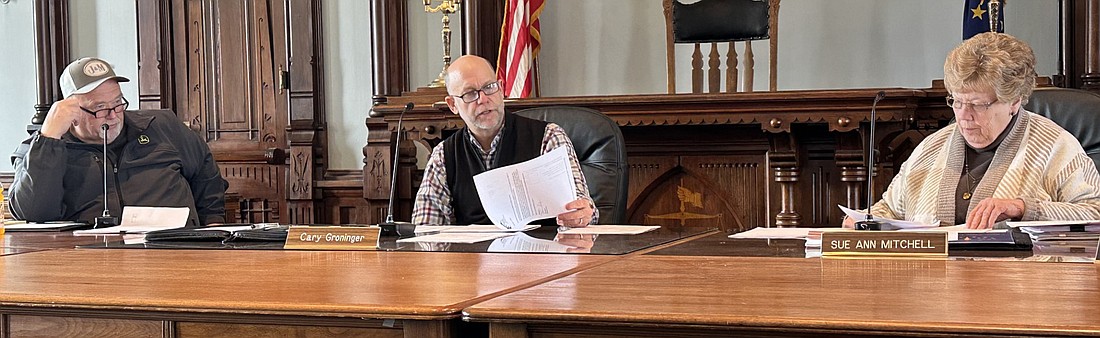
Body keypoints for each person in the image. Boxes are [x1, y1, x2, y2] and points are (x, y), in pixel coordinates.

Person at [844, 32, 1100, 229]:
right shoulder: (931, 148)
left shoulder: (1054, 146)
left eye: (978, 105)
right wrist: (863, 223)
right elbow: (888, 210)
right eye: (956, 101)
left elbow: (1094, 213)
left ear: (1014, 101)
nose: (964, 116)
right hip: (933, 286)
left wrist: (1022, 207)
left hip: (1019, 288)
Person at [9, 57, 228, 227]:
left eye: (117, 103)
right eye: (100, 108)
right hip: (89, 263)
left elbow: (207, 177)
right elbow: (33, 212)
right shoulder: (38, 150)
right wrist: (48, 139)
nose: (113, 116)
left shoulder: (163, 126)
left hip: (176, 252)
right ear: (71, 111)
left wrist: (213, 225)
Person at [411, 55, 597, 227]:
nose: (483, 99)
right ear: (452, 105)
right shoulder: (444, 155)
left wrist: (581, 213)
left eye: (489, 87)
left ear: (501, 89)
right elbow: (425, 228)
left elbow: (585, 209)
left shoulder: (548, 136)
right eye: (470, 94)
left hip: (543, 257)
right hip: (472, 260)